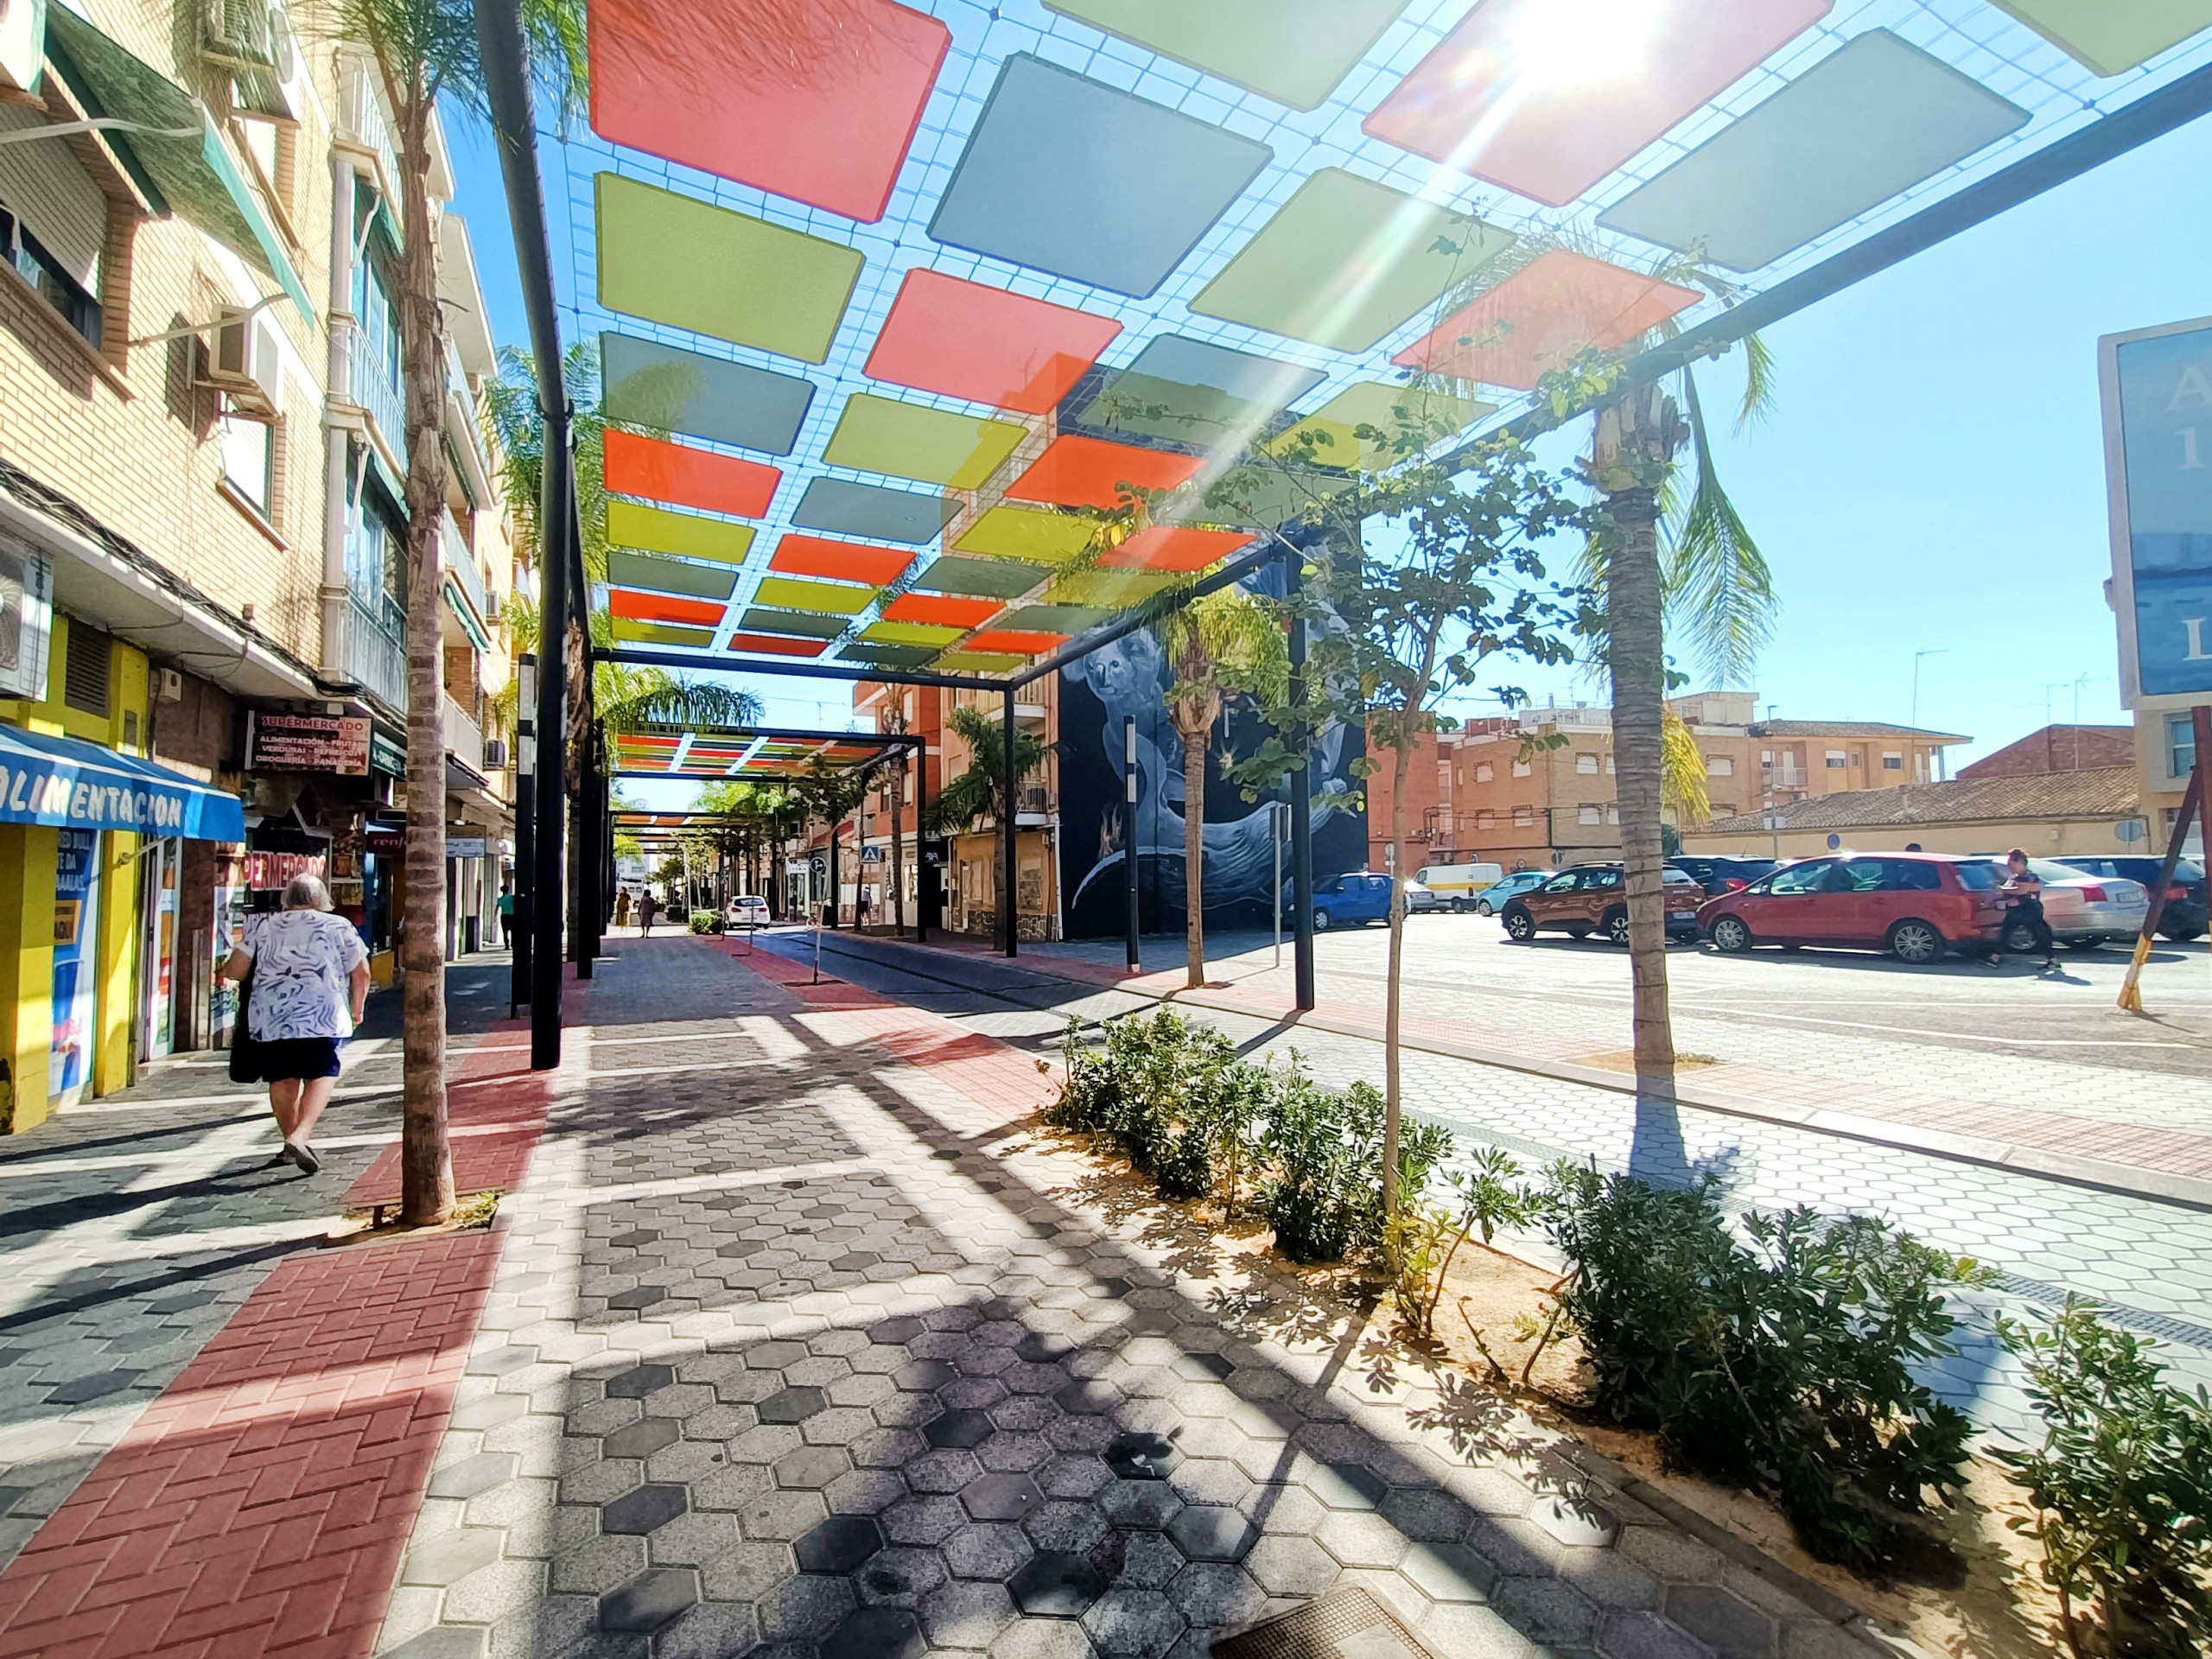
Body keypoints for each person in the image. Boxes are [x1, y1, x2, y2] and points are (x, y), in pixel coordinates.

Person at [220, 874, 369, 1174]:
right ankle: (300, 1136)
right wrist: (357, 1007)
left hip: (272, 1016)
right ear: (322, 898)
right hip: (321, 1015)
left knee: (282, 1078)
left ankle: (290, 1144)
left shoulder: (266, 926)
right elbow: (362, 971)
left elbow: (235, 970)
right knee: (322, 1074)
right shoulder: (338, 926)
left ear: (286, 899)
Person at [1994, 847, 2056, 969]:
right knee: (2005, 933)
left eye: (2012, 863)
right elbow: (2008, 890)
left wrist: (2003, 889)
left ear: (2020, 863)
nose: (2010, 867)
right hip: (2015, 910)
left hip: (2030, 910)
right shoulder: (2013, 878)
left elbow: (2021, 890)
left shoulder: (2030, 877)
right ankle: (1995, 957)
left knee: (2039, 934)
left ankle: (2052, 960)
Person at [495, 879, 515, 944]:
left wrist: (495, 916)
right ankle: (513, 943)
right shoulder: (512, 898)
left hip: (504, 915)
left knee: (505, 930)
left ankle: (506, 944)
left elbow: (497, 908)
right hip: (511, 915)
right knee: (512, 930)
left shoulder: (500, 899)